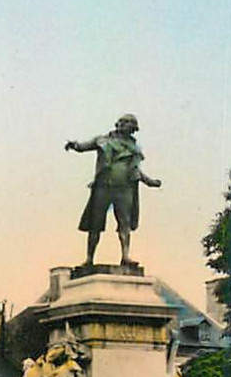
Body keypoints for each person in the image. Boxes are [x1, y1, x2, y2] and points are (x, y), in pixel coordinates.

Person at [65, 114, 162, 267]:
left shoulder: (134, 148)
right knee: (95, 223)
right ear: (118, 124)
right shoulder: (103, 140)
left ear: (134, 128)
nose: (126, 125)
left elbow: (136, 170)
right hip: (103, 186)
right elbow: (83, 147)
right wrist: (74, 145)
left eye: (130, 123)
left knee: (125, 222)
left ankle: (125, 256)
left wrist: (150, 182)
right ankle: (89, 258)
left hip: (124, 189)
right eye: (124, 122)